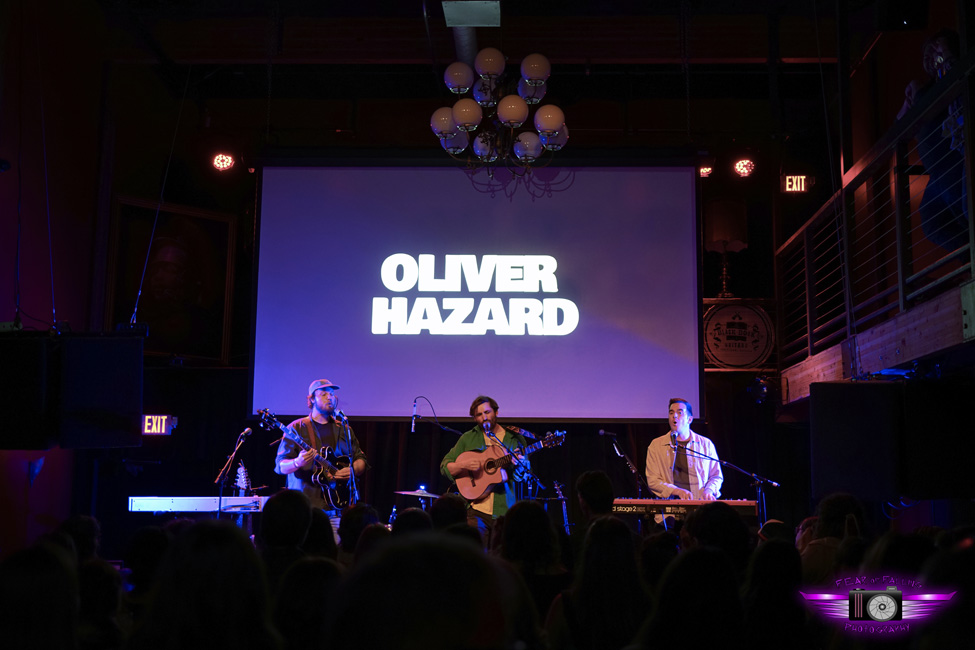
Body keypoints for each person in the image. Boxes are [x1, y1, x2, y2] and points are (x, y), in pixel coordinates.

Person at [896, 29, 969, 252]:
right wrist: (909, 101)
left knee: (964, 209)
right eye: (925, 56)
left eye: (932, 52)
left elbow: (959, 83)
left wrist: (945, 55)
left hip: (955, 160)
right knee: (931, 222)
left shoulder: (953, 71)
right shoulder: (926, 88)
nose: (928, 59)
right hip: (937, 173)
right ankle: (969, 258)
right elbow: (899, 128)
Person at [274, 379, 368, 532]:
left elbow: (360, 459)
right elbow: (280, 466)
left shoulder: (344, 428)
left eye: (331, 394)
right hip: (305, 509)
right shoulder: (297, 428)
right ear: (311, 399)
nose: (330, 397)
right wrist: (297, 462)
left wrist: (353, 470)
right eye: (324, 394)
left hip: (337, 509)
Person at [440, 395, 530, 543]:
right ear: (475, 419)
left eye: (487, 412)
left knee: (501, 558)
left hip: (504, 510)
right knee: (476, 557)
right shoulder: (468, 438)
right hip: (475, 510)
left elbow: (523, 476)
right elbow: (445, 466)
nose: (484, 417)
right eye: (479, 415)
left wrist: (520, 468)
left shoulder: (514, 439)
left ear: (496, 412)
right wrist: (463, 465)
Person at [645, 398, 722, 501]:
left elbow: (716, 476)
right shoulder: (656, 445)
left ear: (689, 419)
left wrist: (709, 490)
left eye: (679, 412)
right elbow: (653, 480)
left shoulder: (705, 444)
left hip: (700, 507)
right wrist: (677, 491)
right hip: (669, 510)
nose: (674, 416)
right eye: (671, 413)